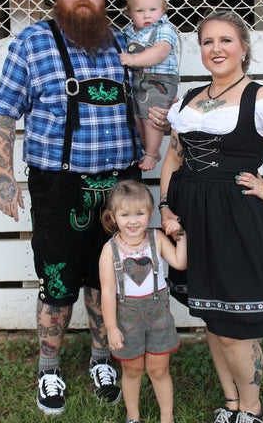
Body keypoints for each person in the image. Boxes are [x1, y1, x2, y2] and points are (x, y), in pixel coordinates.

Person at [0, 0, 145, 416]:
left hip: (121, 188)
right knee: (57, 282)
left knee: (106, 282)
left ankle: (102, 359)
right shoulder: (32, 43)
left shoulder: (125, 44)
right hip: (59, 186)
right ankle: (49, 367)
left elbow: (151, 99)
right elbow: (3, 113)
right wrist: (3, 178)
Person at [158, 10, 263, 423]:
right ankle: (230, 404)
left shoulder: (261, 99)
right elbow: (174, 157)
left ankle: (252, 409)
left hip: (235, 220)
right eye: (207, 42)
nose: (216, 49)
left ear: (243, 48)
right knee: (214, 319)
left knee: (236, 324)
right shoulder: (190, 100)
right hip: (193, 218)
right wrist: (165, 206)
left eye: (225, 40)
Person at [99, 179, 187, 423]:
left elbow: (180, 262)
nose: (133, 220)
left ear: (150, 213)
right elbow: (107, 291)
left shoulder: (156, 239)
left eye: (140, 213)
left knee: (159, 370)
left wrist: (180, 235)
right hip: (126, 319)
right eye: (125, 214)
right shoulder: (110, 250)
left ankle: (166, 417)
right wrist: (111, 328)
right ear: (113, 217)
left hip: (157, 314)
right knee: (132, 369)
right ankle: (133, 416)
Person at [119, 0, 180, 171]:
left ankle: (152, 154)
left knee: (150, 116)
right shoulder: (129, 32)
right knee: (136, 116)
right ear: (129, 12)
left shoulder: (163, 29)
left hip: (158, 81)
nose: (147, 15)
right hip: (138, 81)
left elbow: (159, 52)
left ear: (163, 9)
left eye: (153, 9)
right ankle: (148, 149)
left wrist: (133, 60)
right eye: (140, 11)